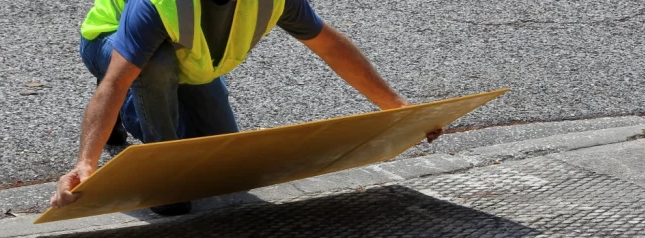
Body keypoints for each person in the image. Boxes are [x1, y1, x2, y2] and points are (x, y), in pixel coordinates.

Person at [51, 0, 443, 215]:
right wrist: (87, 164)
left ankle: (132, 114)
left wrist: (398, 109)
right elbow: (115, 82)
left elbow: (331, 47)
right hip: (109, 43)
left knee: (220, 159)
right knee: (154, 68)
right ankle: (162, 179)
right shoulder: (159, 5)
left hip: (192, 64)